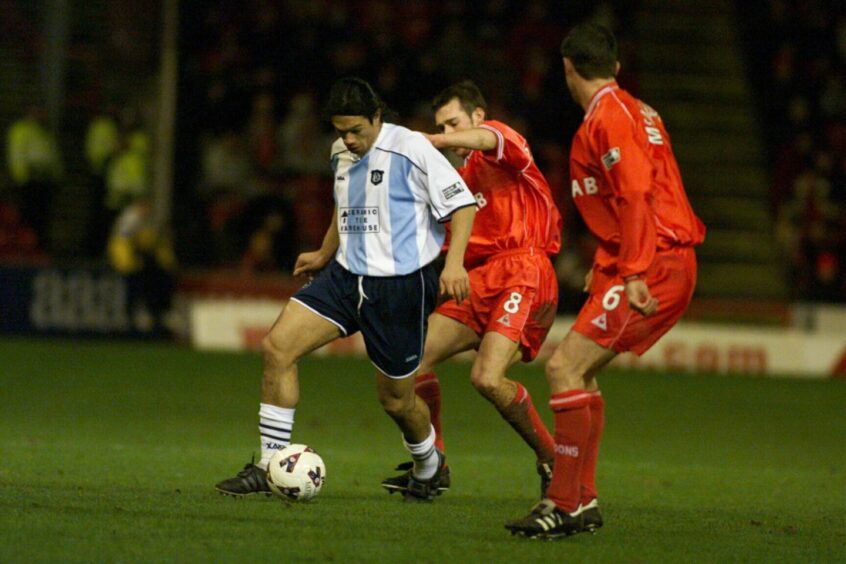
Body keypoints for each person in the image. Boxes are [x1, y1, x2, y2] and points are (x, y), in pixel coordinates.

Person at [215, 77, 477, 502]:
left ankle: (430, 465)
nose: (350, 140)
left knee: (395, 401)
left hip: (400, 287)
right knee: (278, 348)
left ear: (377, 117)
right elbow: (347, 203)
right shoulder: (340, 151)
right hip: (344, 277)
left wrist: (455, 263)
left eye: (357, 130)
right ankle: (269, 464)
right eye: (341, 131)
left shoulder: (411, 147)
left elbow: (462, 203)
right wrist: (324, 251)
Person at [505, 23, 706, 538]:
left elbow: (638, 193)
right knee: (581, 375)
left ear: (568, 68)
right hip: (650, 257)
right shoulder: (634, 109)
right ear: (615, 67)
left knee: (565, 368)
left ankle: (563, 502)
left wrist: (634, 267)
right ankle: (581, 501)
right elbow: (636, 194)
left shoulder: (611, 118)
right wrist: (613, 258)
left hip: (655, 262)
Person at [379, 80, 562, 497]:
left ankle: (553, 458)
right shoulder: (456, 180)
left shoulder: (505, 143)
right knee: (412, 364)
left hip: (525, 269)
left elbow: (487, 138)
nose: (448, 134)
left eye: (453, 123)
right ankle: (434, 463)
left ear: (477, 115)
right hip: (478, 279)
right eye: (441, 125)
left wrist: (434, 138)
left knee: (486, 378)